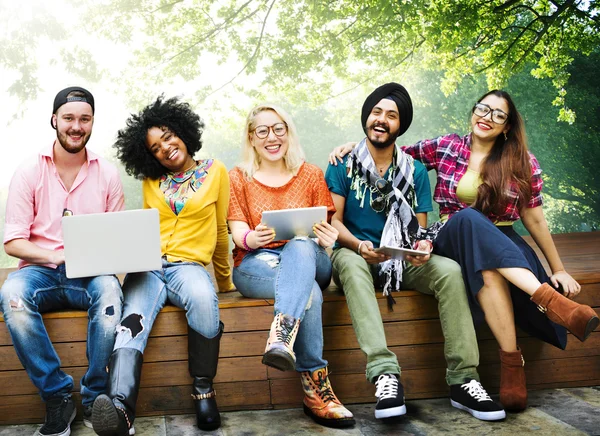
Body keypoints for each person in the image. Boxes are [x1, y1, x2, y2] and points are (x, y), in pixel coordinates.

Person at [329, 89, 600, 412]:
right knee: (468, 218)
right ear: (473, 112)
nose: (487, 117)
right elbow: (391, 151)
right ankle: (551, 302)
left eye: (498, 115)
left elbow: (536, 219)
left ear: (508, 126)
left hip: (501, 243)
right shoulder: (445, 147)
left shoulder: (522, 162)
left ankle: (506, 367)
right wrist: (351, 146)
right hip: (452, 234)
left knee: (484, 266)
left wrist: (558, 268)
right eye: (483, 109)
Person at [324, 83, 505, 421]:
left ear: (400, 125)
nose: (381, 120)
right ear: (366, 118)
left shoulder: (414, 170)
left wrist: (421, 248)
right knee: (348, 262)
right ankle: (384, 373)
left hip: (399, 260)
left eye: (391, 115)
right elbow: (333, 221)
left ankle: (463, 379)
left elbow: (417, 230)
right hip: (355, 253)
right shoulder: (342, 163)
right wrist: (359, 245)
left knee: (449, 271)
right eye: (376, 112)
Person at [91, 96, 233, 435]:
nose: (165, 148)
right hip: (149, 266)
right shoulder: (150, 181)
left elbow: (220, 229)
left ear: (183, 132)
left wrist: (225, 282)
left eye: (168, 136)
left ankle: (203, 390)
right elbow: (146, 229)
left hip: (189, 266)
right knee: (131, 320)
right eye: (155, 147)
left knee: (203, 297)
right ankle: (121, 405)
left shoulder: (215, 171)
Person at [0, 86, 125, 436]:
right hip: (40, 272)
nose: (76, 126)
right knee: (12, 294)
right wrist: (55, 255)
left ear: (92, 123)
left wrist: (104, 256)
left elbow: (116, 236)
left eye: (84, 119)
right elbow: (13, 242)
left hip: (89, 273)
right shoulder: (28, 172)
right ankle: (57, 397)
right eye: (69, 118)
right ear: (54, 120)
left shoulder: (108, 174)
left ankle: (95, 396)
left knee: (111, 295)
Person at [227, 104, 355, 428]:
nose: (272, 137)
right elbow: (238, 229)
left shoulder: (311, 173)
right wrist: (251, 239)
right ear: (251, 138)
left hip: (313, 259)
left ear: (288, 132)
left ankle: (281, 337)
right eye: (263, 131)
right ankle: (317, 391)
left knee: (301, 243)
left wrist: (327, 239)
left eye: (279, 128)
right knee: (306, 289)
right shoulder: (238, 177)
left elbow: (327, 226)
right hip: (257, 264)